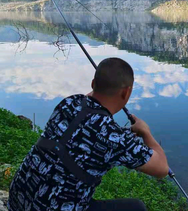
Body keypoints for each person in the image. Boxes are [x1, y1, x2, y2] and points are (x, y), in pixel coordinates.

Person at [8, 57, 169, 211]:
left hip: (18, 201)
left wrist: (101, 84)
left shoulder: (68, 103)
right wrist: (145, 132)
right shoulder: (115, 138)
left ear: (92, 84)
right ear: (126, 93)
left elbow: (89, 102)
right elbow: (162, 168)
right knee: (136, 208)